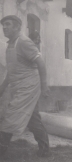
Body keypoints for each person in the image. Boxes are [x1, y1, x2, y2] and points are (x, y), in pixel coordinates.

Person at [0, 15, 50, 157]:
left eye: (8, 24)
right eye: (3, 25)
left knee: (12, 114)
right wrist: (2, 88)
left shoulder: (23, 42)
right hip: (17, 85)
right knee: (33, 119)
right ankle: (45, 150)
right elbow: (12, 70)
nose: (4, 27)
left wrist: (44, 85)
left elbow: (40, 63)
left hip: (28, 86)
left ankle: (1, 149)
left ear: (17, 27)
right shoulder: (10, 44)